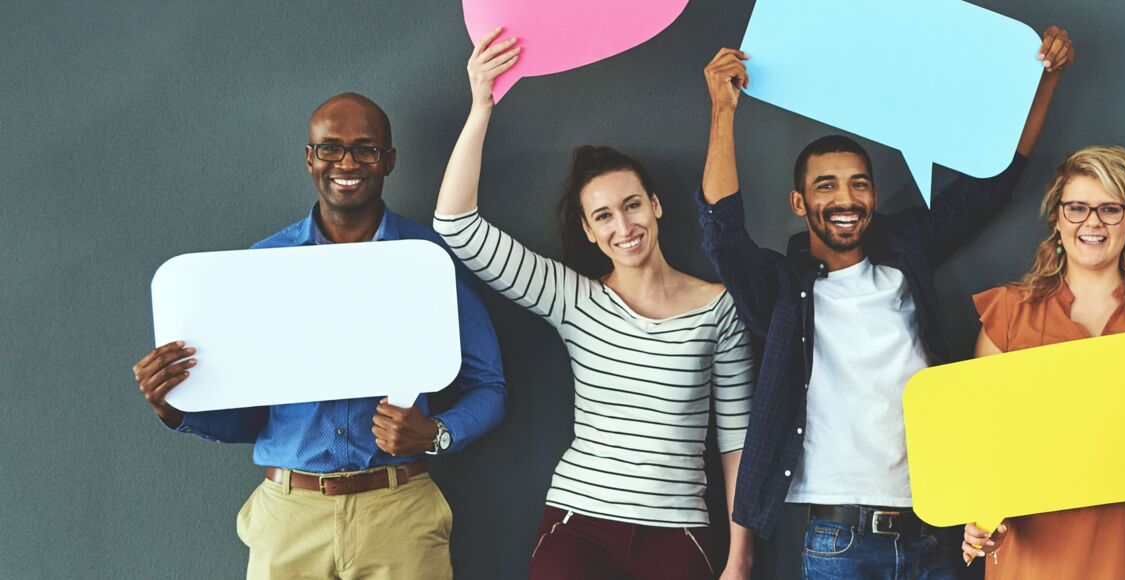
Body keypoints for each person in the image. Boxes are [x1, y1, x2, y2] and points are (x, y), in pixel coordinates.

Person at [696, 26, 1075, 579]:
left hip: (936, 530)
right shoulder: (782, 290)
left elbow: (994, 184)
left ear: (873, 196)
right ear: (800, 202)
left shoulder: (908, 253)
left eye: (859, 184)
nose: (845, 199)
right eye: (826, 186)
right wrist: (722, 113)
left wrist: (1047, 80)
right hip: (839, 541)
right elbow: (722, 235)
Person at [130, 92, 507, 579]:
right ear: (310, 158)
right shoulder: (259, 266)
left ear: (388, 160)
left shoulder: (429, 259)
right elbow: (249, 417)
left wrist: (435, 434)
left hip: (400, 510)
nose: (346, 162)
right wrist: (176, 406)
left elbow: (490, 387)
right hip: (289, 515)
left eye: (365, 149)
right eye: (329, 148)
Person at [430, 30, 756, 579]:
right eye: (603, 216)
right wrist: (480, 104)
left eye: (632, 206)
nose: (623, 226)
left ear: (655, 207)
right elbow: (456, 227)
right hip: (578, 525)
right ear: (587, 230)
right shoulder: (572, 298)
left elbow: (737, 439)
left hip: (677, 533)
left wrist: (740, 560)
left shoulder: (718, 308)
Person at [956, 146, 1125, 578]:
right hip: (1036, 552)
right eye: (1077, 208)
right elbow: (986, 447)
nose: (1092, 222)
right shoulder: (1009, 314)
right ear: (1056, 218)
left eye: (1110, 209)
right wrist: (982, 523)